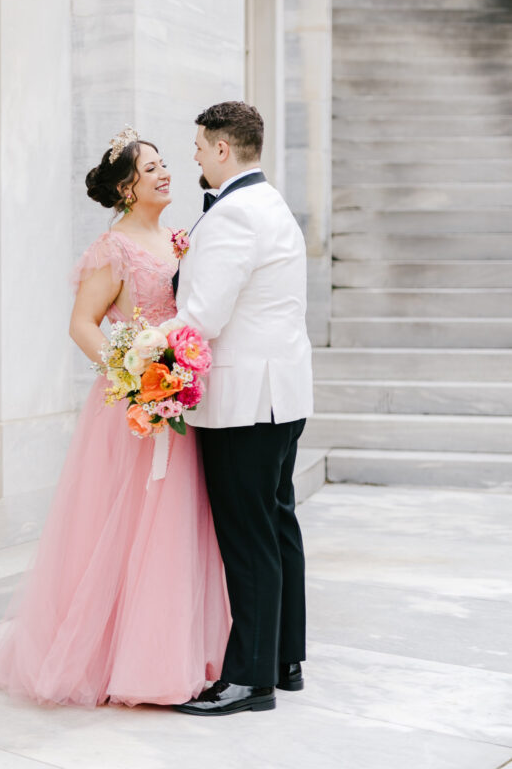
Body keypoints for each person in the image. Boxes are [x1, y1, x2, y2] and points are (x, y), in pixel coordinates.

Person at [0, 128, 230, 708]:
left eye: (166, 163)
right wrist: (135, 376)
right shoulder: (112, 249)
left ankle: (179, 651)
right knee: (125, 527)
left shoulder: (177, 238)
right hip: (133, 408)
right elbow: (83, 324)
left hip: (181, 399)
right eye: (151, 168)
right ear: (126, 186)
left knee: (177, 528)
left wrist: (175, 376)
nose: (166, 173)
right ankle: (119, 660)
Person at [173, 101, 313, 717]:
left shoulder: (232, 216)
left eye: (201, 147)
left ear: (223, 149)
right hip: (282, 394)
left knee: (248, 535)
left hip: (244, 403)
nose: (196, 157)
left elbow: (202, 318)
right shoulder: (272, 203)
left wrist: (144, 353)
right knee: (277, 525)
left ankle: (249, 680)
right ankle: (284, 659)